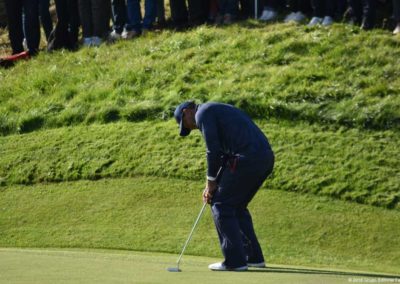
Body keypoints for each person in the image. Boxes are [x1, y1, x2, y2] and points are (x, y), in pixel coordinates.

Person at [174, 101, 274, 271]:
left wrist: (211, 182)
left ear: (187, 111)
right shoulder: (215, 110)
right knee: (236, 206)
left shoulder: (202, 113)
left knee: (221, 204)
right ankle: (253, 257)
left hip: (247, 159)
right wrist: (212, 184)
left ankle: (235, 261)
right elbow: (223, 155)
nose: (193, 128)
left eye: (187, 125)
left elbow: (213, 151)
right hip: (264, 158)